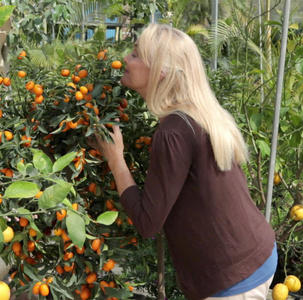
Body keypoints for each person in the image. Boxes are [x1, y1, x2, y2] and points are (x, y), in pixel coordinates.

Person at [88, 23, 277, 300]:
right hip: (256, 254)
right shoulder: (197, 115)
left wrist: (116, 159)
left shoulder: (173, 132)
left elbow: (147, 222)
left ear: (161, 72)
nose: (126, 59)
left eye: (136, 54)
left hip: (233, 282)